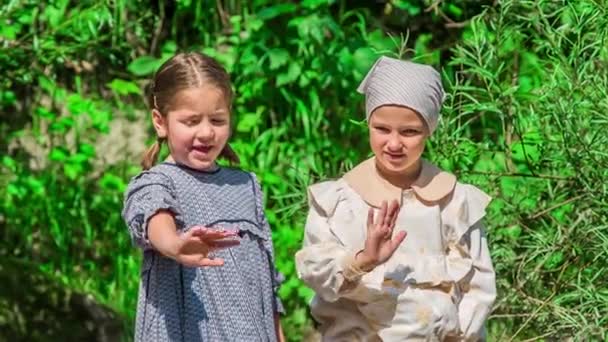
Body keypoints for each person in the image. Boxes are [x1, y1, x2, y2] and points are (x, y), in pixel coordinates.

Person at [295, 56, 496, 341]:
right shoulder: (339, 201)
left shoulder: (454, 202)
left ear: (429, 129)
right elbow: (315, 271)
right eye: (381, 129)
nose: (393, 143)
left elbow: (478, 285)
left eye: (409, 131)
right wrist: (361, 260)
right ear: (368, 123)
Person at [122, 52, 284, 341]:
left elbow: (267, 289)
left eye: (217, 120)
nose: (207, 132)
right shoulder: (157, 182)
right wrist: (173, 244)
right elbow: (155, 218)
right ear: (160, 122)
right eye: (191, 121)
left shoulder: (247, 185)